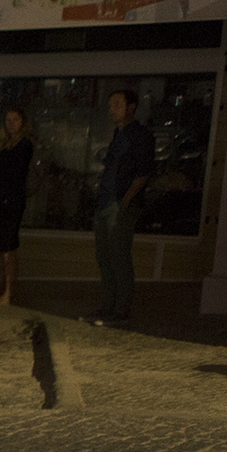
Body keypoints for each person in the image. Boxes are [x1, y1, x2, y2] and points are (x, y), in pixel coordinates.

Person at [87, 88, 154, 326]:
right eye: (110, 104)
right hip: (106, 202)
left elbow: (143, 172)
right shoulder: (118, 134)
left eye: (117, 104)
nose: (111, 109)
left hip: (120, 203)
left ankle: (120, 309)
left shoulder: (140, 135)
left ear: (131, 106)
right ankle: (107, 306)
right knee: (104, 256)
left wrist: (125, 200)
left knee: (119, 256)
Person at [0, 107, 34, 306]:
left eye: (15, 120)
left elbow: (16, 173)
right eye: (8, 120)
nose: (11, 124)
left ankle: (10, 292)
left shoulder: (24, 145)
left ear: (22, 122)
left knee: (8, 248)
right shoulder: (2, 145)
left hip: (11, 202)